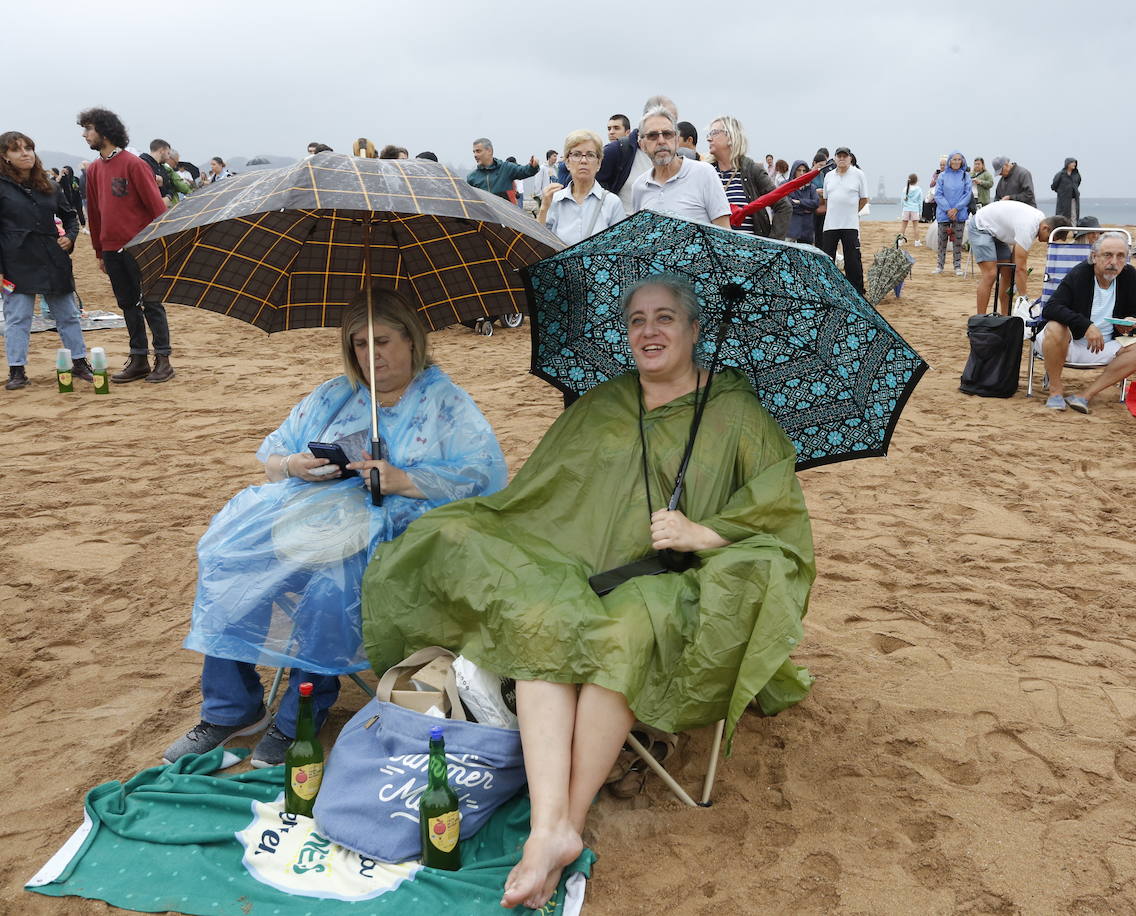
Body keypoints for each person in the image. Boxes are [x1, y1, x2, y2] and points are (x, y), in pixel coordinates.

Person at [359, 274, 815, 910]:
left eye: (664, 319)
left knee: (623, 630)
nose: (649, 332)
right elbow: (541, 494)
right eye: (636, 321)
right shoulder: (604, 401)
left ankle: (562, 825)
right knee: (537, 604)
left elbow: (781, 523)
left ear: (695, 330)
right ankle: (551, 827)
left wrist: (702, 533)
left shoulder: (738, 414)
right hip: (579, 565)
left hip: (678, 580)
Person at [163, 288, 506, 767]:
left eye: (383, 341)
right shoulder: (335, 394)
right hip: (319, 517)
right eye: (360, 344)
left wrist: (404, 479)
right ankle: (232, 707)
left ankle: (300, 715)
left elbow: (483, 474)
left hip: (403, 533)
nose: (372, 355)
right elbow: (273, 455)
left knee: (331, 582)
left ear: (412, 339)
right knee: (228, 556)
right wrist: (296, 465)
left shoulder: (444, 403)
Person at [78, 107, 175, 383]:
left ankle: (164, 360)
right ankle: (139, 359)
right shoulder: (95, 169)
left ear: (105, 131)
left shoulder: (134, 164)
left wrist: (160, 244)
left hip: (140, 247)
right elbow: (94, 214)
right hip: (111, 249)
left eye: (89, 129)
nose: (85, 135)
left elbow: (156, 207)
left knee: (151, 302)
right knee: (127, 304)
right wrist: (99, 251)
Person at [0, 132, 92, 390]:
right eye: (17, 150)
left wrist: (70, 238)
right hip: (16, 260)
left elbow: (71, 216)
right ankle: (17, 370)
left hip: (53, 258)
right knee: (18, 317)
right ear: (4, 156)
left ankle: (80, 363)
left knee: (69, 315)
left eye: (28, 148)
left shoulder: (49, 185)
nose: (25, 153)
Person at [1036, 234, 1136, 413]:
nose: (1114, 261)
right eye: (1107, 255)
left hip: (1105, 345)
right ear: (1094, 257)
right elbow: (1051, 308)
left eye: (1120, 256)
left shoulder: (1129, 275)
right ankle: (1055, 391)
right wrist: (1086, 325)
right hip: (1069, 344)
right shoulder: (1081, 274)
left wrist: (1132, 322)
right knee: (1054, 327)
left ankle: (1085, 396)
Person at [629, 107, 730, 227]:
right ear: (642, 145)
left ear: (677, 140)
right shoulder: (639, 187)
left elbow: (725, 234)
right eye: (652, 135)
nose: (661, 141)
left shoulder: (704, 173)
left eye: (667, 134)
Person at [967, 200, 1067, 314]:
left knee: (1008, 272)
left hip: (996, 230)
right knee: (990, 274)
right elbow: (1020, 268)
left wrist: (1017, 280)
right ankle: (980, 319)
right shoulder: (1028, 227)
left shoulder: (1040, 220)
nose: (1048, 242)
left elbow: (1016, 263)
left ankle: (1005, 316)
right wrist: (1023, 297)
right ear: (1045, 228)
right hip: (980, 226)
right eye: (1051, 238)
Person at [706, 116, 790, 239]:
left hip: (748, 253)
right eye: (709, 134)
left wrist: (771, 246)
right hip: (713, 252)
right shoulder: (706, 172)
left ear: (731, 137)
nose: (709, 138)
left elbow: (783, 205)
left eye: (714, 133)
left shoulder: (752, 170)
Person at [537, 129, 626, 244]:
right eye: (577, 154)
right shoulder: (554, 200)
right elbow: (539, 244)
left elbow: (619, 246)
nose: (583, 160)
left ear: (599, 163)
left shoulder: (612, 203)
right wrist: (544, 209)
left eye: (590, 155)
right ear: (567, 162)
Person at [819, 146, 869, 294]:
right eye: (839, 156)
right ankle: (827, 289)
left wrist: (852, 212)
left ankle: (857, 291)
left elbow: (864, 199)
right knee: (827, 258)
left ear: (850, 158)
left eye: (844, 156)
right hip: (830, 224)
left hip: (850, 224)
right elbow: (827, 199)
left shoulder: (858, 174)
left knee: (852, 259)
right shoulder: (828, 176)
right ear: (835, 158)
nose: (841, 159)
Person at [932, 150, 971, 276]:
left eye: (959, 159)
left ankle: (957, 266)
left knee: (958, 241)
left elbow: (967, 194)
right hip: (944, 213)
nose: (956, 162)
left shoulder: (965, 176)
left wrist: (956, 209)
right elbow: (938, 194)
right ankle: (940, 265)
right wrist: (948, 209)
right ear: (949, 161)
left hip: (959, 213)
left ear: (962, 161)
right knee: (941, 241)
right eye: (954, 159)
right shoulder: (942, 176)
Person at [467, 139, 538, 204]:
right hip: (485, 216)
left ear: (489, 151)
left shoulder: (506, 168)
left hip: (506, 215)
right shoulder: (472, 177)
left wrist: (533, 166)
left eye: (478, 151)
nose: (475, 155)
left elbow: (525, 171)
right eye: (474, 152)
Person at [785, 160, 819, 244]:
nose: (801, 173)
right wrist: (805, 209)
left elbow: (815, 203)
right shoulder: (786, 185)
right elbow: (786, 203)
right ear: (794, 171)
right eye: (799, 170)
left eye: (804, 171)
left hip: (807, 230)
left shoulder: (811, 187)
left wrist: (799, 202)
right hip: (791, 230)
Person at [1050, 157, 1080, 223]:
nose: (1074, 164)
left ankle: (1074, 231)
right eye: (1073, 162)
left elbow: (1078, 183)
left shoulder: (1077, 175)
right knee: (1062, 215)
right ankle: (1061, 231)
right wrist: (1062, 192)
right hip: (1063, 199)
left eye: (1075, 162)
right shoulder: (1060, 174)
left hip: (1073, 199)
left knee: (1074, 215)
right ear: (1068, 164)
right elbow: (1054, 185)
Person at [900, 172, 923, 240]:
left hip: (906, 209)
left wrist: (902, 210)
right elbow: (920, 202)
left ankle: (900, 241)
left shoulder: (905, 189)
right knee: (915, 227)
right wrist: (920, 212)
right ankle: (917, 242)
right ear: (916, 181)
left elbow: (902, 201)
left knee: (903, 227)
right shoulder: (919, 189)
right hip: (915, 209)